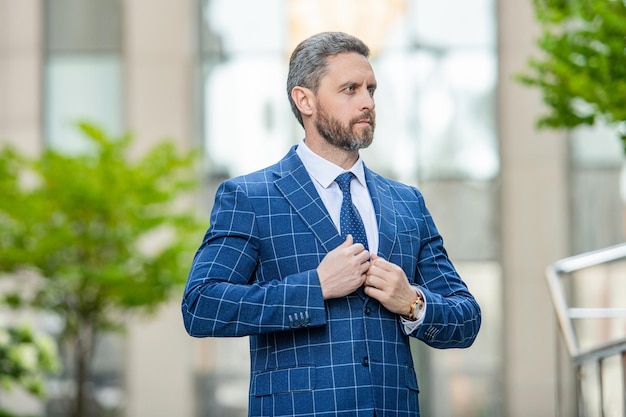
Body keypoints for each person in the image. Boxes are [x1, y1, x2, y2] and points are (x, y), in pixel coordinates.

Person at [182, 31, 481, 417]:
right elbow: (201, 305)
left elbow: (467, 318)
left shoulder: (407, 203)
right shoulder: (251, 197)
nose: (367, 102)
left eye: (371, 89)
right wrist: (316, 287)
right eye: (350, 89)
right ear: (304, 100)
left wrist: (412, 302)